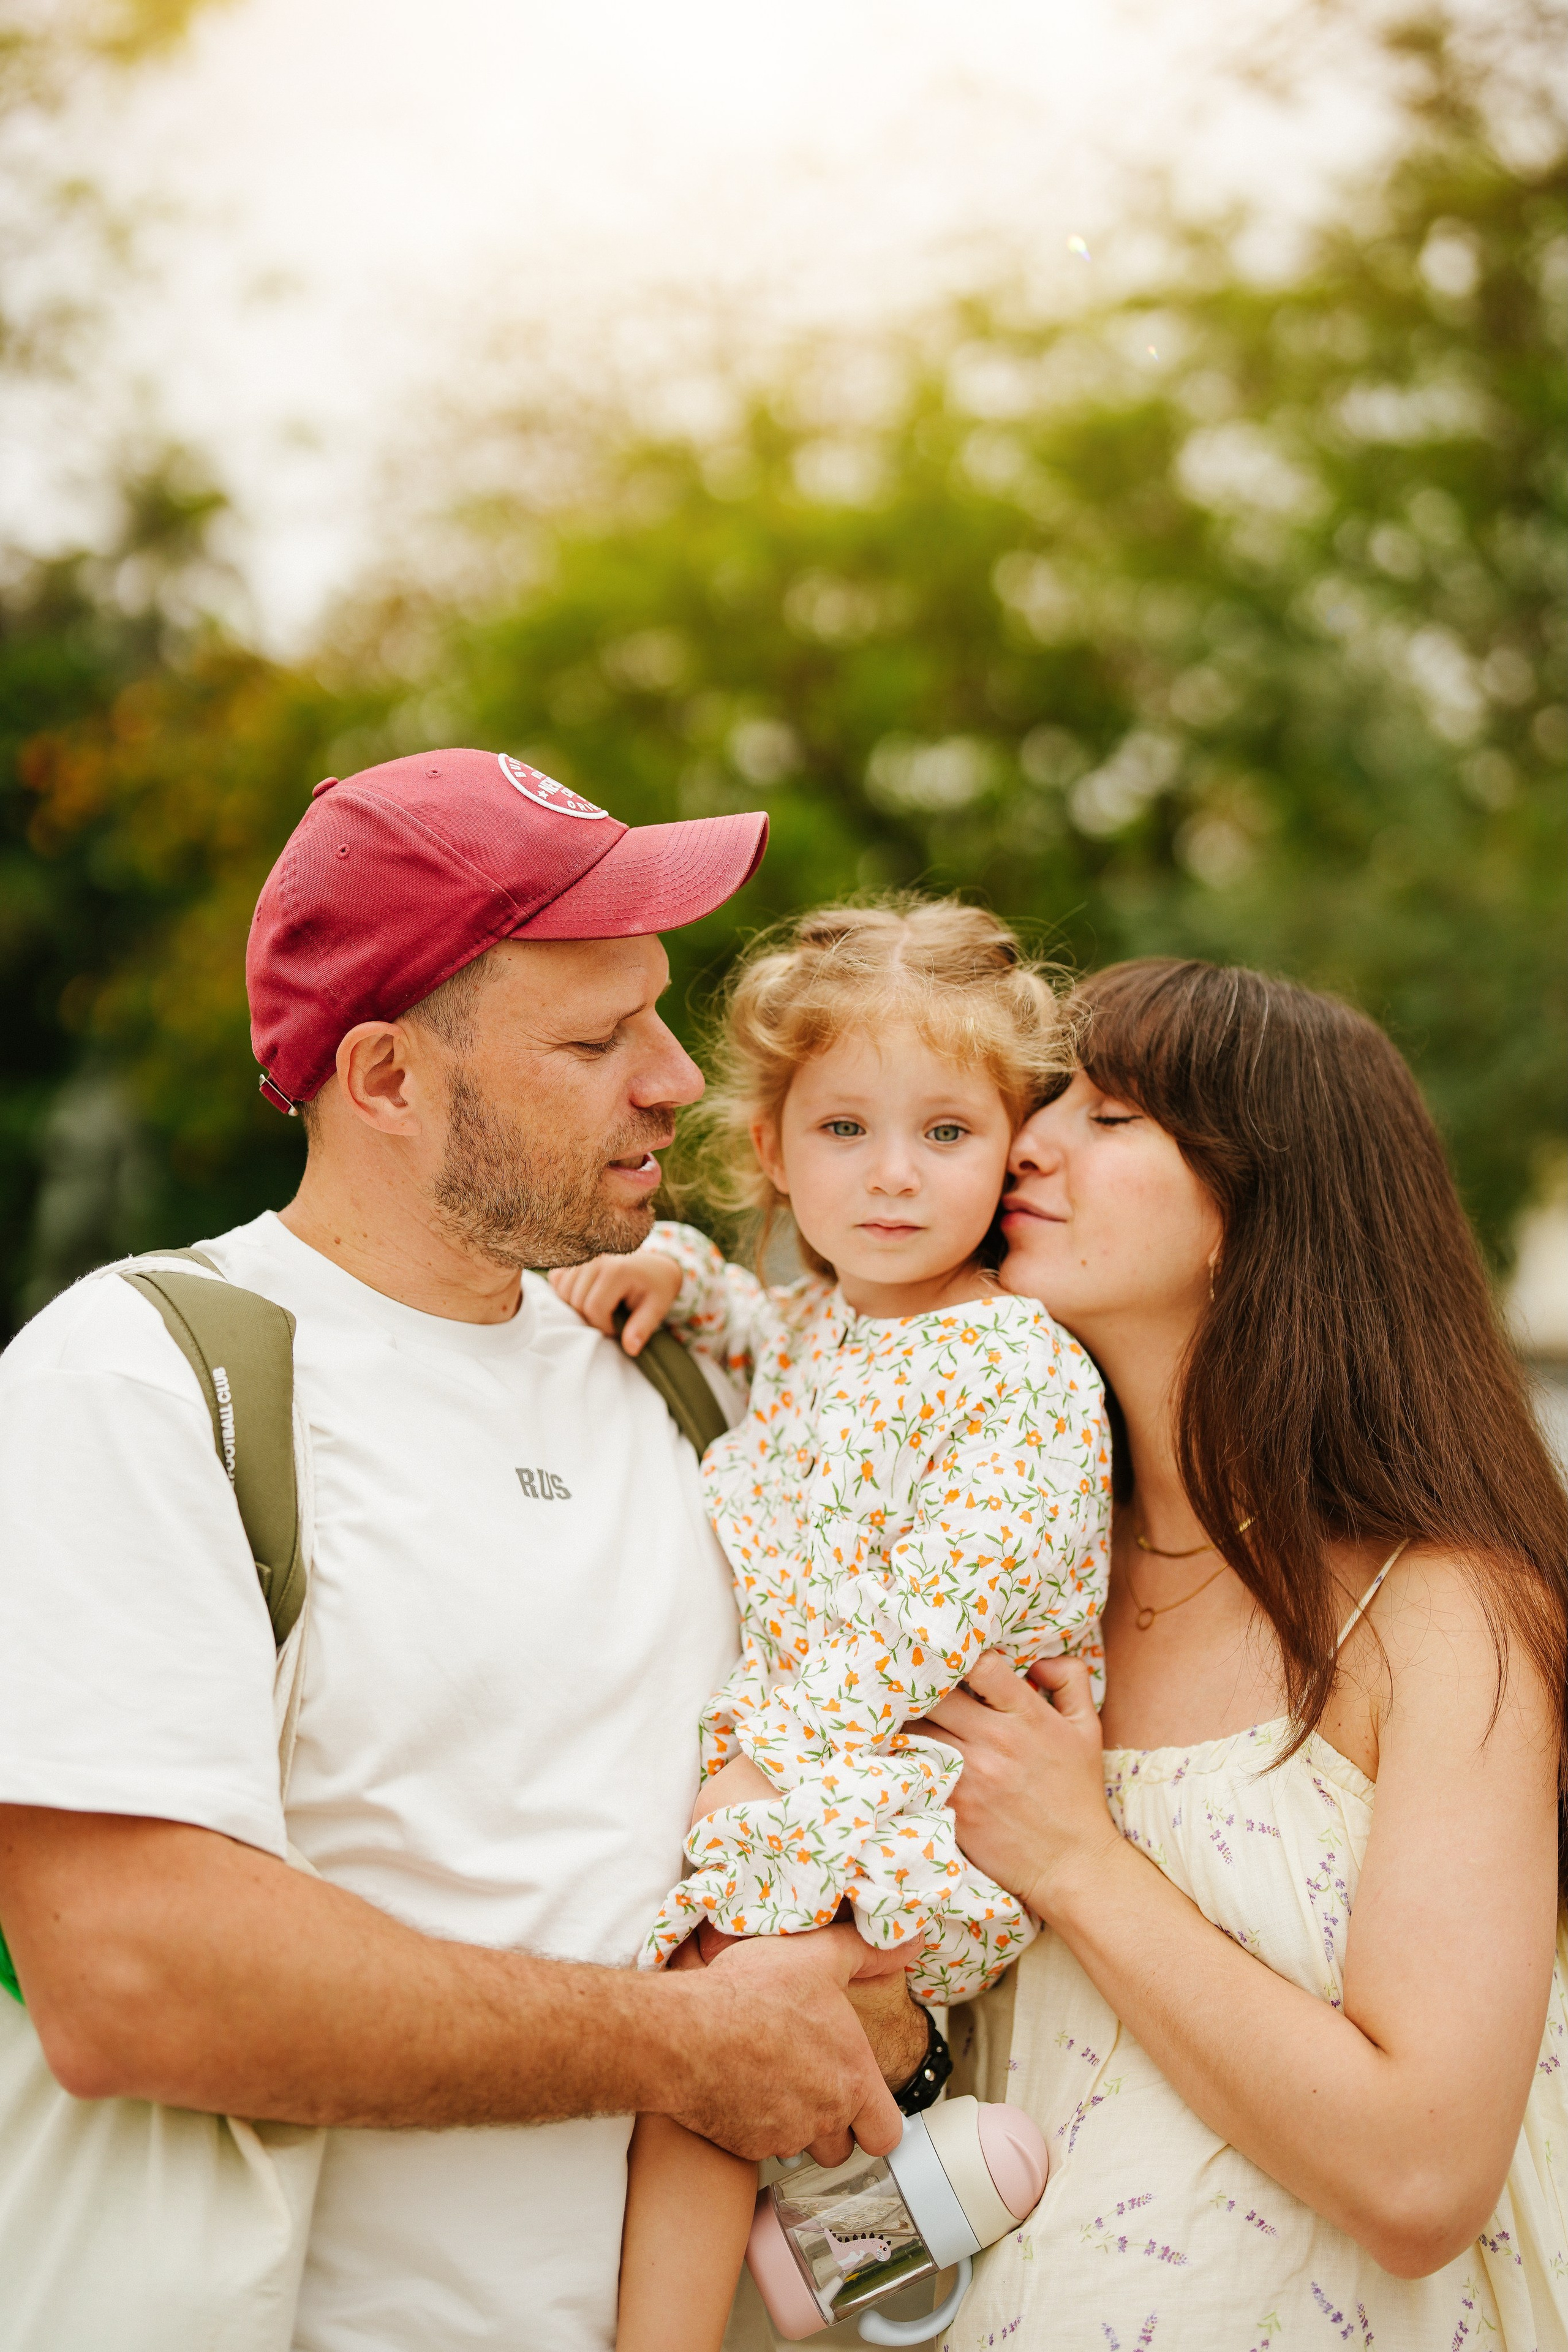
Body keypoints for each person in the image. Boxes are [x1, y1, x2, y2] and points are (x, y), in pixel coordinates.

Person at [0, 748, 922, 2352]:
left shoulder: (689, 1383)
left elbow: (845, 1901)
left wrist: (858, 1992)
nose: (675, 1080)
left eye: (657, 1014)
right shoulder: (138, 1380)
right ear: (385, 1080)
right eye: (593, 1040)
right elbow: (131, 1975)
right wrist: (693, 2045)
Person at [915, 958, 1568, 2349]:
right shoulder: (1012, 1582)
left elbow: (1421, 2174)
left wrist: (1076, 1860)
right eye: (1047, 1102)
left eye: (1110, 1116)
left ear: (1257, 1206)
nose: (1026, 1142)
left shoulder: (1439, 1614)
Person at [552, 902, 1112, 2352]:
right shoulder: (817, 1321)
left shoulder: (1016, 1368)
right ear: (775, 1149)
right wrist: (677, 1271)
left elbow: (935, 1622)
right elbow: (752, 1319)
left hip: (914, 1786)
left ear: (1010, 1151)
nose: (891, 1175)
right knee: (709, 2004)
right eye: (844, 1130)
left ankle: (682, 2325)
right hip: (819, 1774)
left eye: (944, 1133)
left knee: (723, 2006)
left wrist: (760, 1762)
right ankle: (853, 2215)